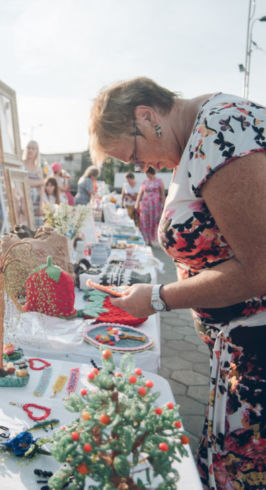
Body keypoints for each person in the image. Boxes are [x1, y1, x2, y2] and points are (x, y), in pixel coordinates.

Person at [88, 76, 266, 489]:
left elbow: (259, 268)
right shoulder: (204, 135)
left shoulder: (222, 130)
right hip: (241, 348)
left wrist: (158, 297)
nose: (144, 169)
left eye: (132, 158)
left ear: (146, 117)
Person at [135, 167, 164, 246]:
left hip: (155, 205)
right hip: (145, 204)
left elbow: (162, 193)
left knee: (153, 221)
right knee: (144, 220)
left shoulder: (159, 181)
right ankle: (146, 239)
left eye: (148, 174)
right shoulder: (145, 181)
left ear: (152, 173)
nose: (147, 176)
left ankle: (152, 240)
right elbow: (140, 193)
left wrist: (164, 205)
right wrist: (137, 203)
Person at [23, 140, 44, 223]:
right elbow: (24, 182)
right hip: (24, 202)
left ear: (37, 151)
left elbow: (42, 188)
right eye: (29, 148)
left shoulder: (38, 168)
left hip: (36, 203)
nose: (31, 150)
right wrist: (40, 182)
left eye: (33, 149)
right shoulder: (21, 165)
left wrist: (41, 205)